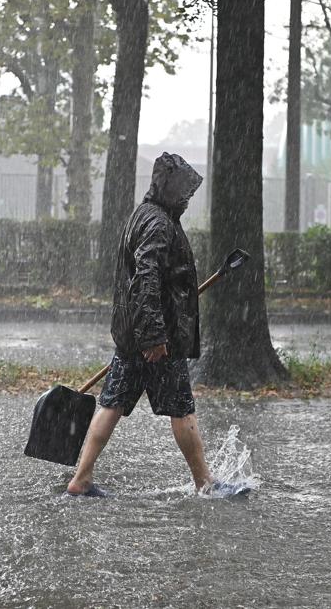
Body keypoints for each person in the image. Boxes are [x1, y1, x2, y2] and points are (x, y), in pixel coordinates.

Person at [66, 152, 216, 497]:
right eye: (184, 192)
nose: (187, 199)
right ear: (169, 188)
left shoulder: (143, 215)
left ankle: (81, 478)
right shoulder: (159, 223)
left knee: (111, 404)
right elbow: (145, 277)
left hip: (133, 337)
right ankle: (204, 483)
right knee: (182, 409)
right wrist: (154, 336)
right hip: (155, 340)